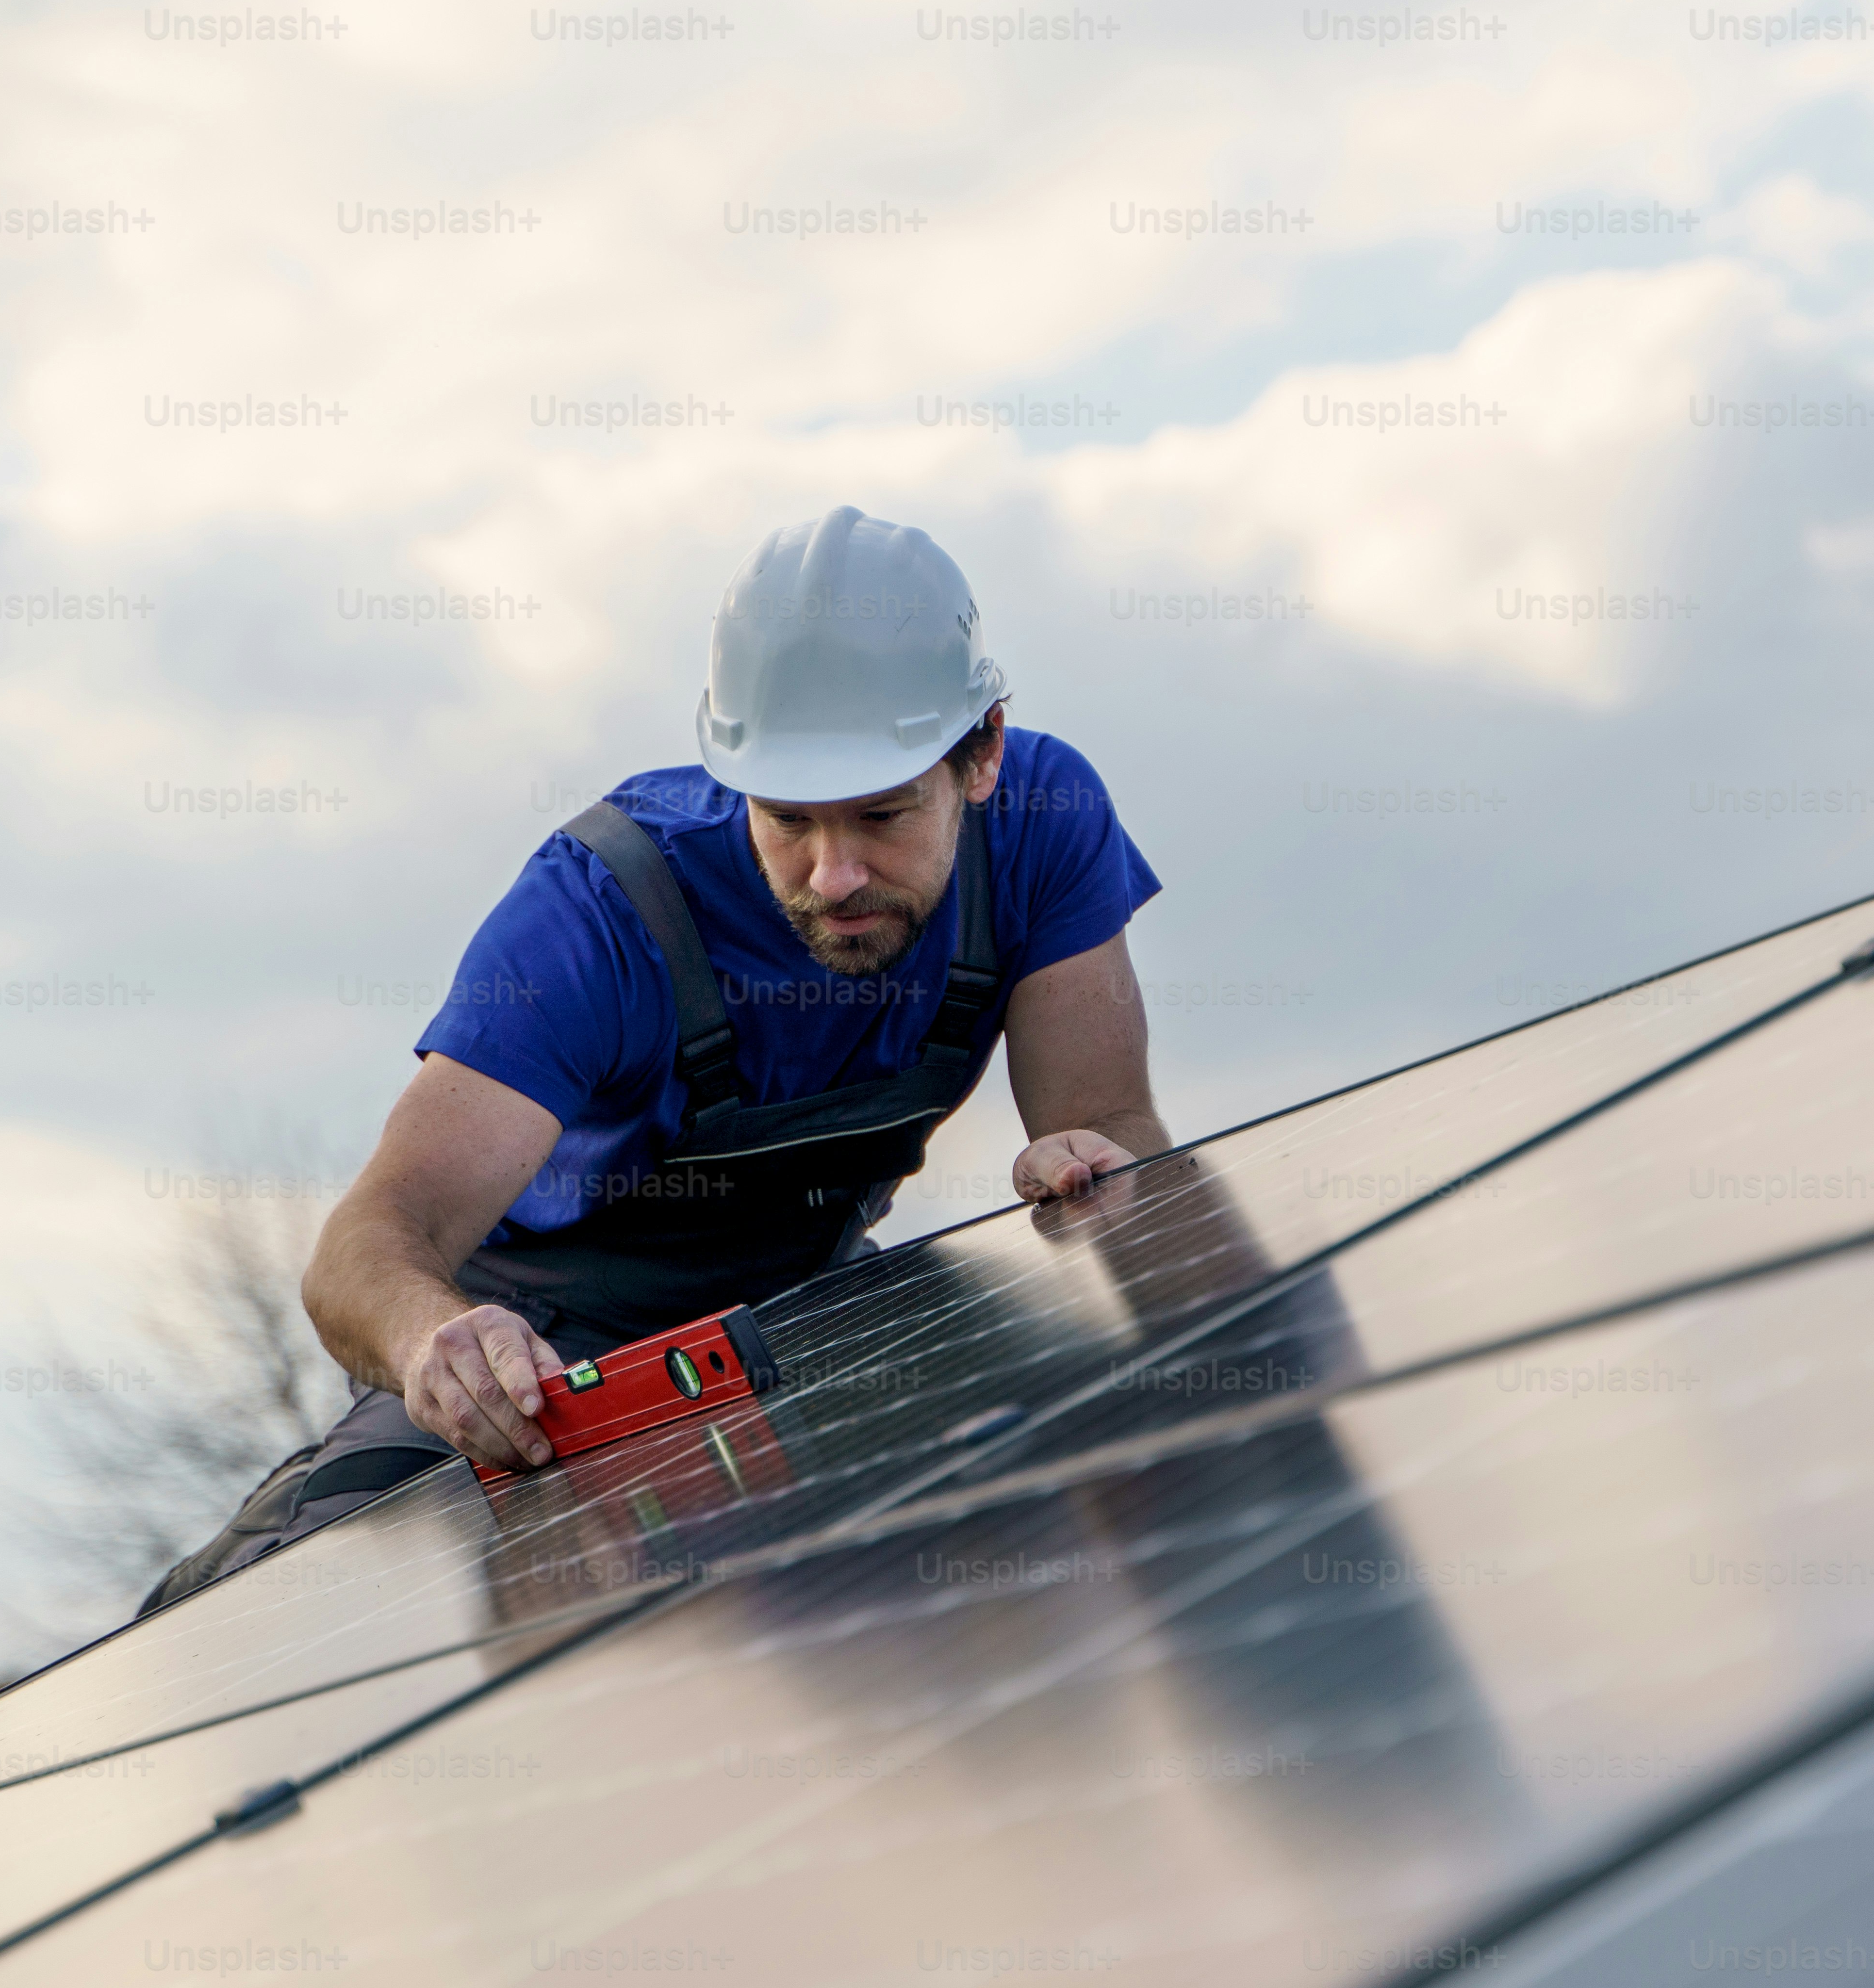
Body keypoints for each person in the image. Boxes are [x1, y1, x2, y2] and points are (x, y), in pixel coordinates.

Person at [147, 506, 1168, 1610]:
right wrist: (436, 1344)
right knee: (297, 1604)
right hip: (539, 1375)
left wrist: (1083, 1173)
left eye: (881, 816)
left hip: (801, 1334)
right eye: (787, 820)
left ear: (982, 756)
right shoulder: (600, 914)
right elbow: (362, 1248)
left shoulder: (1048, 822)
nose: (833, 875)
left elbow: (1113, 1132)